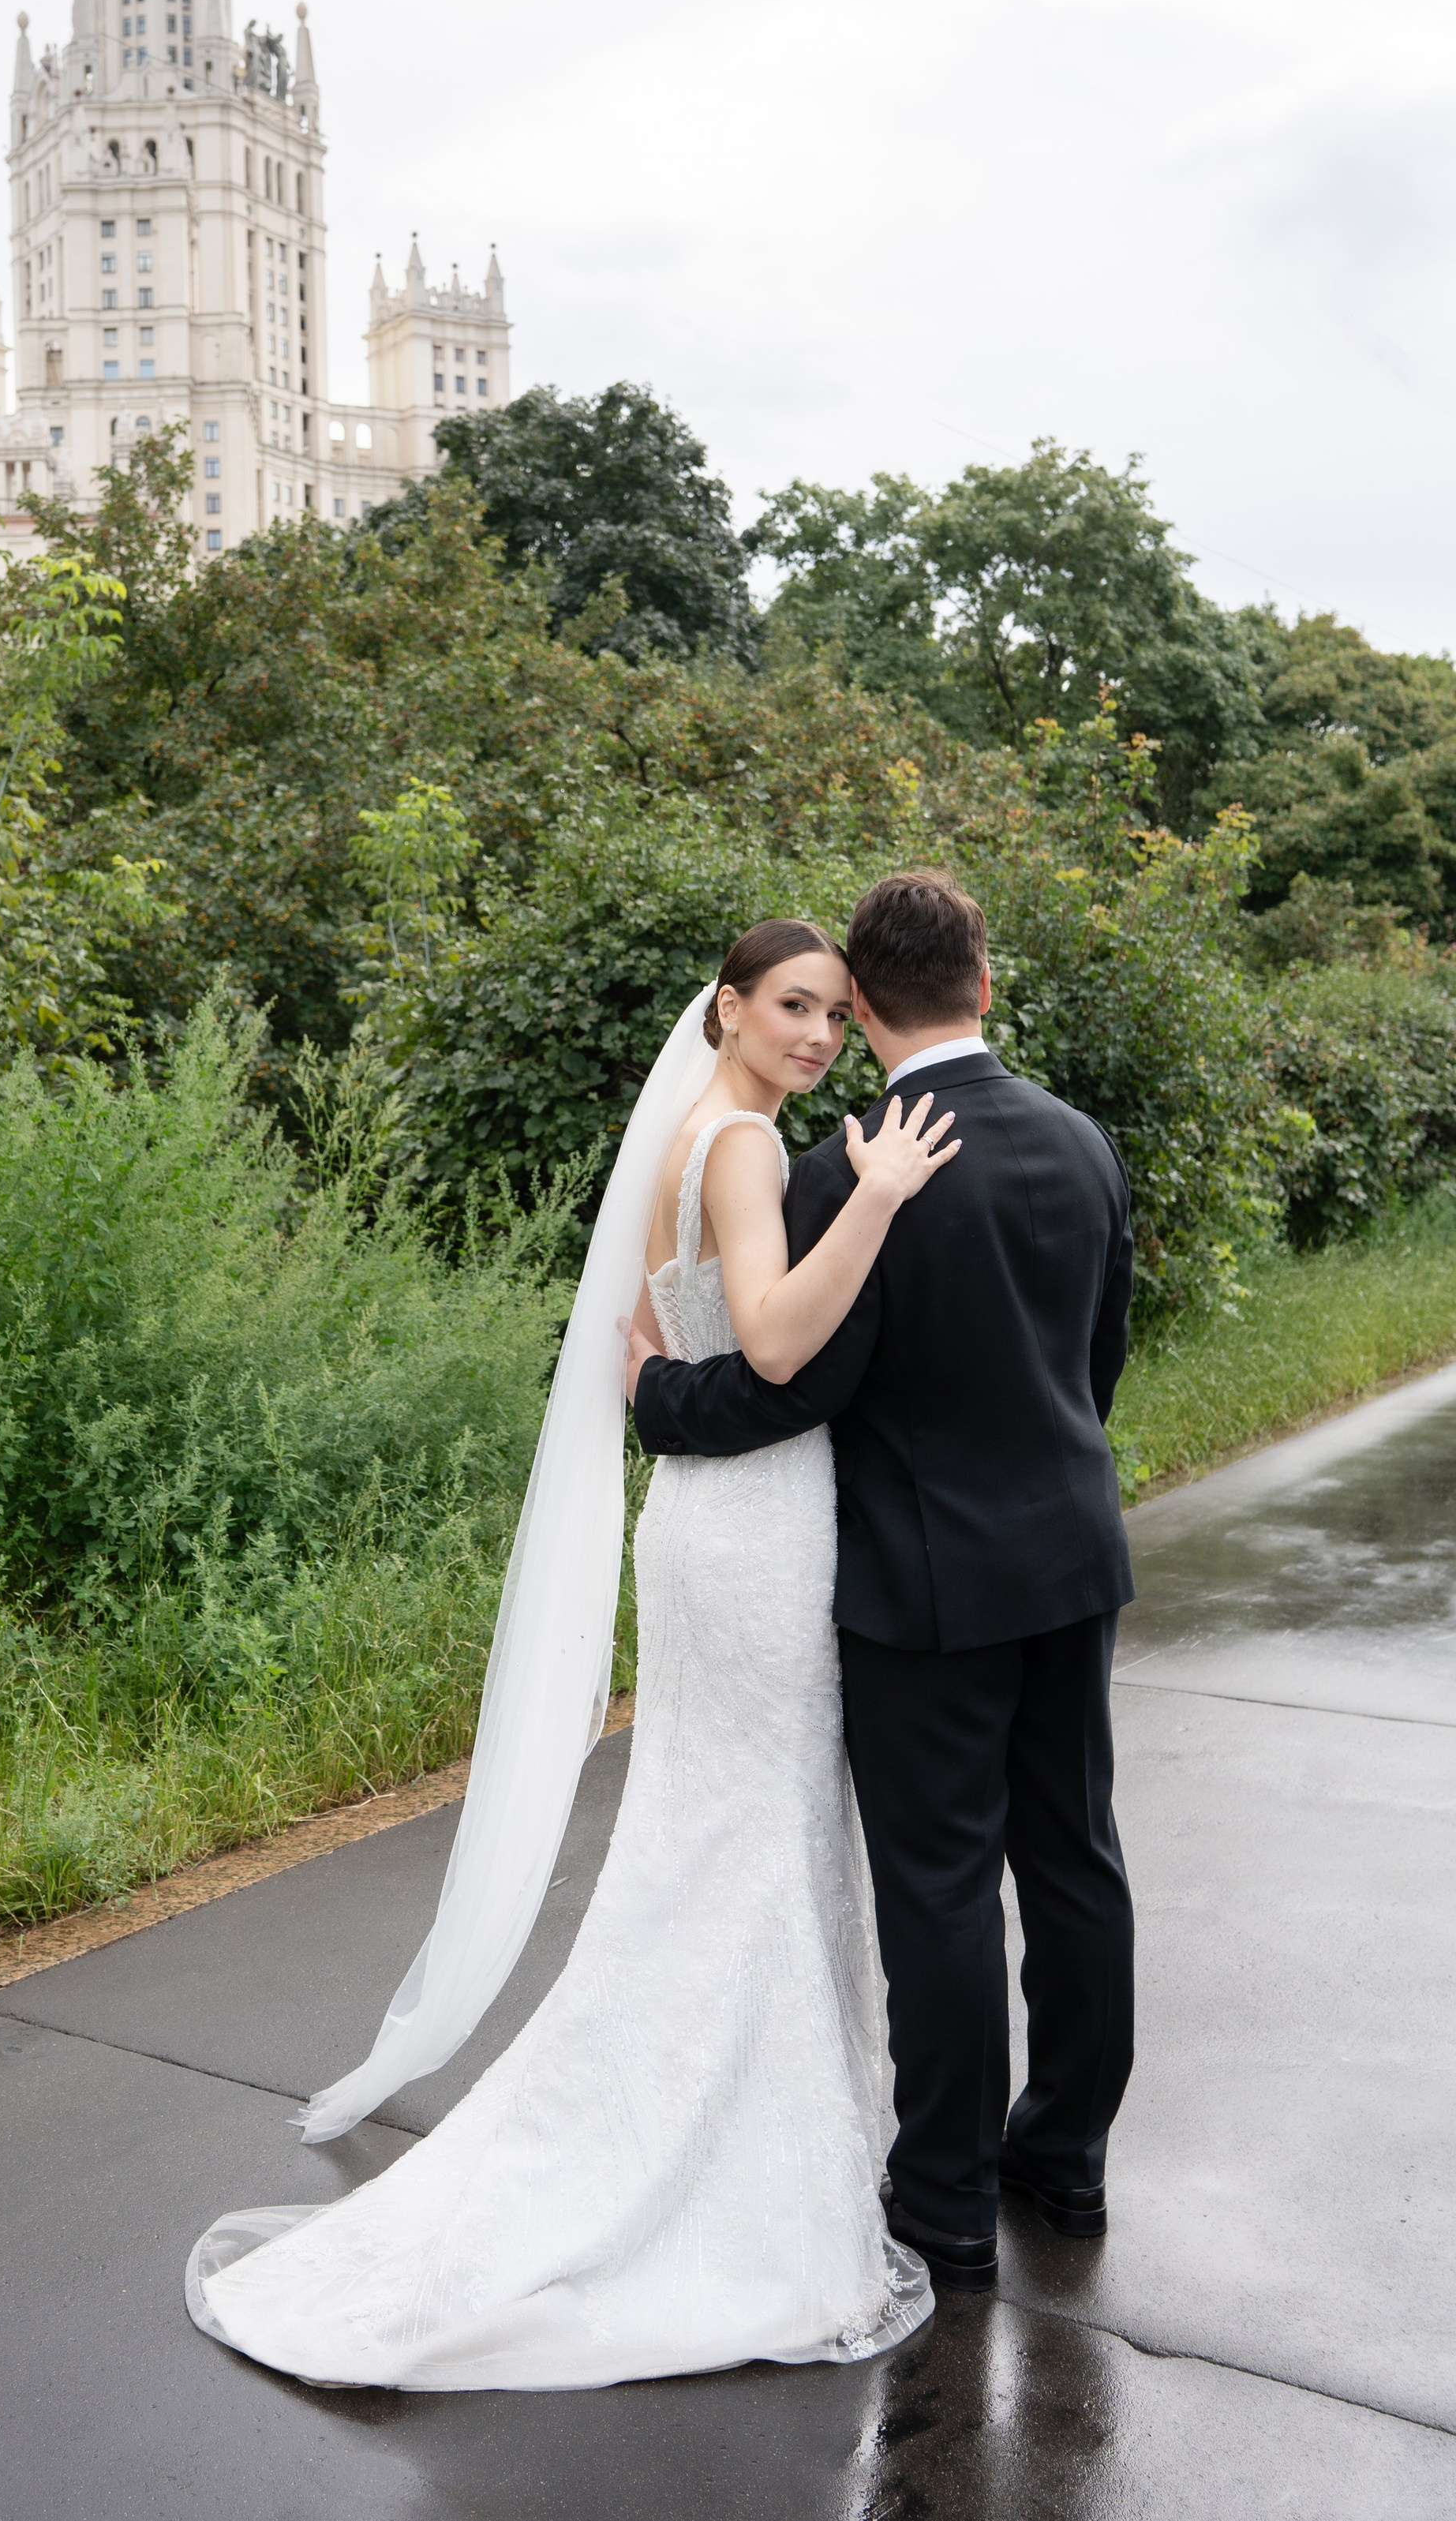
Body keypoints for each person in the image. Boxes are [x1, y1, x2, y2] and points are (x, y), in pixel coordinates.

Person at [186, 918, 959, 2390]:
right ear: (727, 1009)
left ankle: (717, 2127)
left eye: (835, 1013)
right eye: (792, 1006)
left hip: (713, 1516)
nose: (816, 1034)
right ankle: (712, 2159)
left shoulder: (696, 1128)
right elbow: (783, 1343)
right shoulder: (739, 1147)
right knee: (750, 1831)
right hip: (755, 1532)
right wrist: (876, 1196)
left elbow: (694, 1337)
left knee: (717, 1830)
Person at [629, 871, 1136, 2292]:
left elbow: (802, 1381)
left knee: (942, 1888)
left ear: (861, 997)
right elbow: (1097, 1360)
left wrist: (658, 1400)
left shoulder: (854, 1161)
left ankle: (949, 2202)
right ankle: (1070, 2163)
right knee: (1079, 1858)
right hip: (1071, 1555)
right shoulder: (1083, 1142)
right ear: (983, 978)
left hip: (925, 1586)